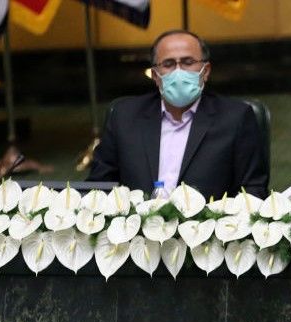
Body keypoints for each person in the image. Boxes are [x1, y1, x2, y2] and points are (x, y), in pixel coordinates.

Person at [88, 29, 268, 197]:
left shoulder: (235, 118)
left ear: (206, 71)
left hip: (208, 220)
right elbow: (98, 188)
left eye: (188, 62)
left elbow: (253, 191)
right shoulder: (124, 116)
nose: (178, 72)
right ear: (155, 76)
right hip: (137, 220)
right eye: (168, 64)